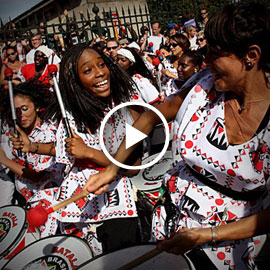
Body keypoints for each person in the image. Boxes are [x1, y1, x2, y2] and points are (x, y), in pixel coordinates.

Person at [84, 2, 270, 269]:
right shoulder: (206, 83)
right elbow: (150, 117)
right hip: (171, 215)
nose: (205, 62)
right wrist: (113, 167)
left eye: (215, 54)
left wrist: (207, 235)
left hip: (225, 241)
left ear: (250, 56)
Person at [39, 44, 141, 256]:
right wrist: (32, 146)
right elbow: (63, 155)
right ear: (75, 81)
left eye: (102, 65)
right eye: (88, 70)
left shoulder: (129, 112)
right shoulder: (69, 119)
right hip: (77, 208)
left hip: (116, 206)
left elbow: (133, 168)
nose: (100, 72)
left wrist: (89, 153)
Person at [0, 80, 64, 237]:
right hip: (28, 201)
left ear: (36, 106)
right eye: (16, 111)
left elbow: (37, 176)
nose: (21, 115)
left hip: (51, 203)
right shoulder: (13, 132)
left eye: (25, 108)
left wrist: (4, 160)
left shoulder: (49, 131)